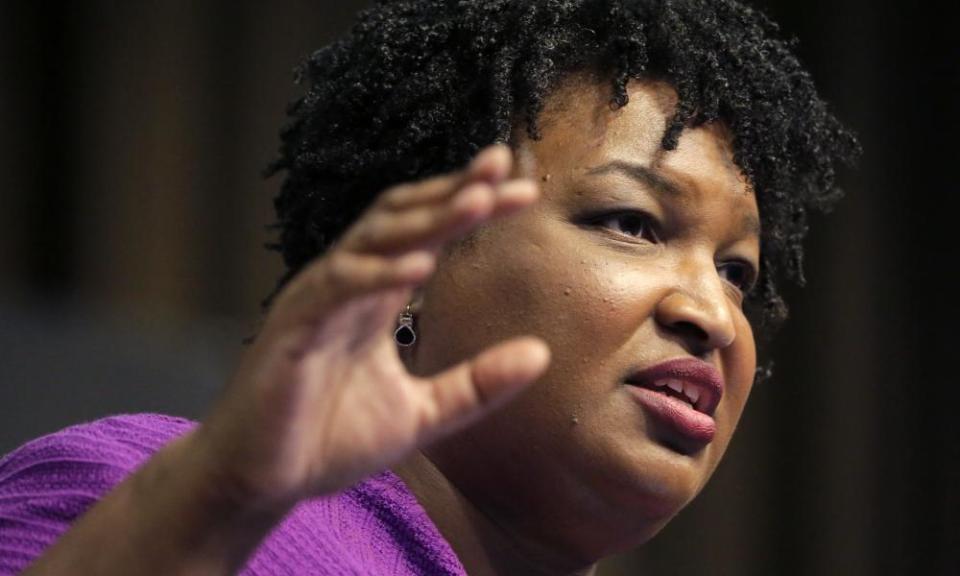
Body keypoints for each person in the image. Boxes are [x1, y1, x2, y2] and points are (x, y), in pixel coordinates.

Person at [0, 0, 859, 574]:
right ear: (413, 258)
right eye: (631, 221)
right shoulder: (151, 494)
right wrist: (219, 489)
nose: (711, 311)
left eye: (737, 270)